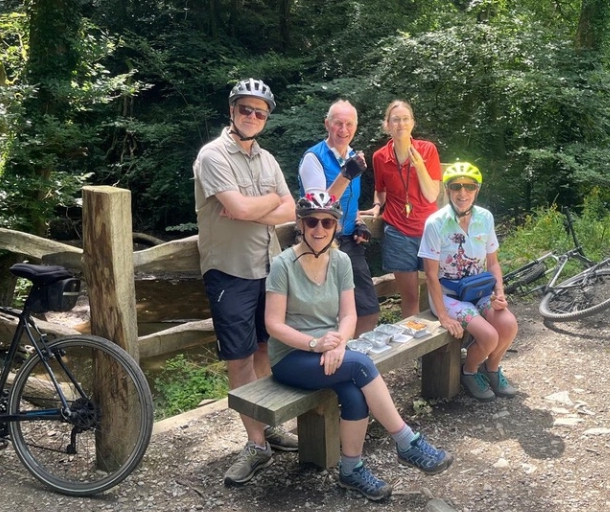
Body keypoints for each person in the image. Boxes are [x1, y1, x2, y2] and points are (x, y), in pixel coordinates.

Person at [265, 191, 454, 502]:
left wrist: (339, 343)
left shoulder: (340, 261)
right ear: (300, 224)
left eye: (327, 222)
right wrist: (316, 343)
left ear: (336, 226)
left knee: (354, 394)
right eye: (311, 221)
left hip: (330, 351)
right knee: (362, 365)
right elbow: (274, 324)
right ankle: (407, 441)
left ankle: (350, 470)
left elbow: (349, 313)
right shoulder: (283, 264)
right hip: (292, 355)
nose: (319, 229)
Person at [193, 78, 298, 486]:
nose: (253, 117)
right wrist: (264, 204)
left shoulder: (268, 159)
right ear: (232, 111)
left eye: (260, 112)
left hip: (266, 266)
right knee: (238, 359)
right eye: (246, 110)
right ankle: (256, 444)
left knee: (263, 350)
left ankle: (267, 425)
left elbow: (289, 209)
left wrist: (258, 206)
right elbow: (235, 208)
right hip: (229, 270)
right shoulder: (212, 155)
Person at [418, 162, 518, 401]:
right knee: (489, 336)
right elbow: (430, 274)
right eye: (456, 187)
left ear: (477, 190)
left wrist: (500, 293)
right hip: (447, 296)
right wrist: (442, 316)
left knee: (508, 325)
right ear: (448, 190)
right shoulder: (436, 223)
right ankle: (470, 371)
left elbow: (493, 263)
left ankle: (491, 369)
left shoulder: (485, 218)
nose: (462, 193)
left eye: (469, 187)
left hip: (479, 290)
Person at [299, 100, 380, 337]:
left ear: (356, 126)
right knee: (325, 315)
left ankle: (350, 354)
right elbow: (318, 207)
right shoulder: (313, 158)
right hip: (319, 243)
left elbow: (349, 200)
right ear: (327, 124)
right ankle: (328, 363)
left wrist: (357, 221)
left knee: (367, 309)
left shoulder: (354, 156)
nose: (343, 130)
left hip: (348, 242)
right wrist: (346, 174)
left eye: (349, 124)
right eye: (338, 124)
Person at [363, 100, 441, 319]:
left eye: (405, 119)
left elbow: (432, 194)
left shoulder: (427, 150)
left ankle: (442, 346)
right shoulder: (380, 156)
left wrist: (420, 166)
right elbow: (381, 190)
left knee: (439, 291)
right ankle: (412, 349)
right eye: (395, 119)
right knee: (409, 298)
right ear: (387, 125)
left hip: (430, 230)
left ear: (413, 123)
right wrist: (377, 205)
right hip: (398, 232)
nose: (401, 124)